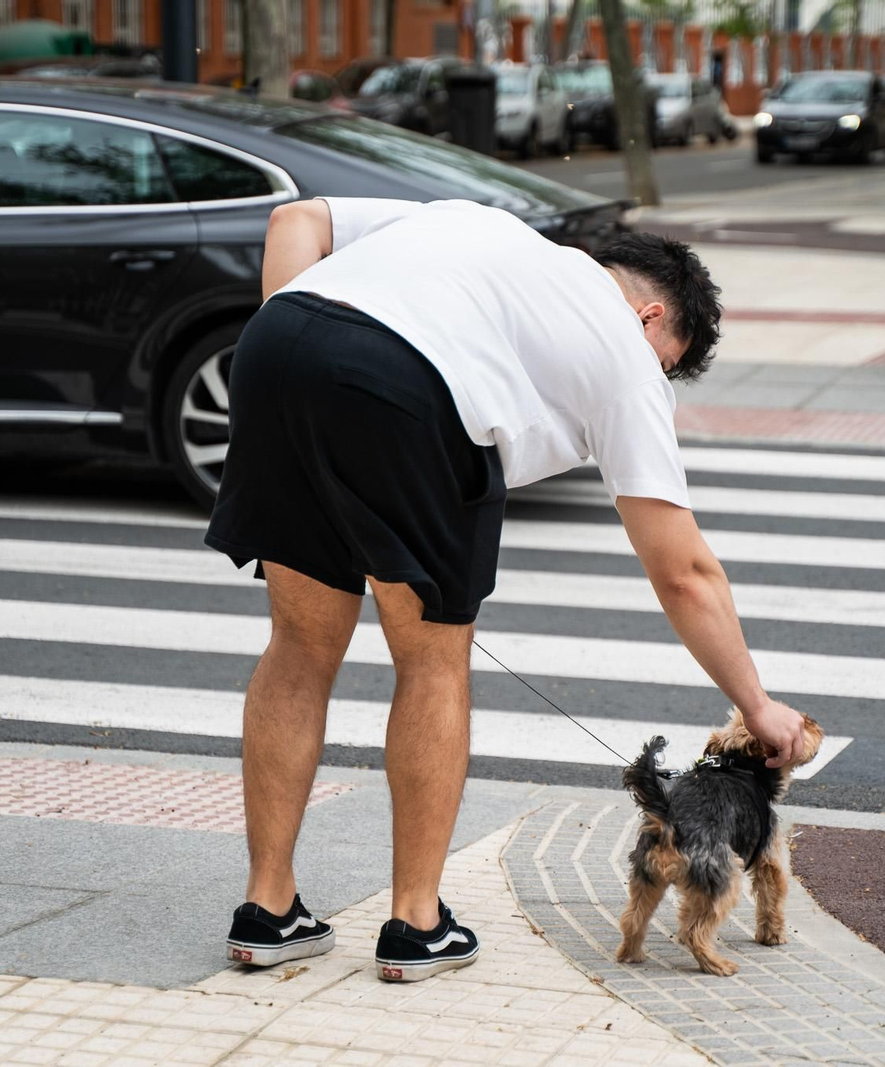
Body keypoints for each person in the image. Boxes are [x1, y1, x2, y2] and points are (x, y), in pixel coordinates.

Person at [203, 198, 812, 982]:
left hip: (276, 345)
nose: (656, 381)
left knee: (298, 646)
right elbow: (684, 571)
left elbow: (296, 222)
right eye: (667, 363)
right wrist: (757, 706)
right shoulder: (625, 356)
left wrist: (309, 376)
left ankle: (268, 909)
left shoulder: (481, 225)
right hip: (409, 390)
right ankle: (415, 922)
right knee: (431, 660)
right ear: (650, 315)